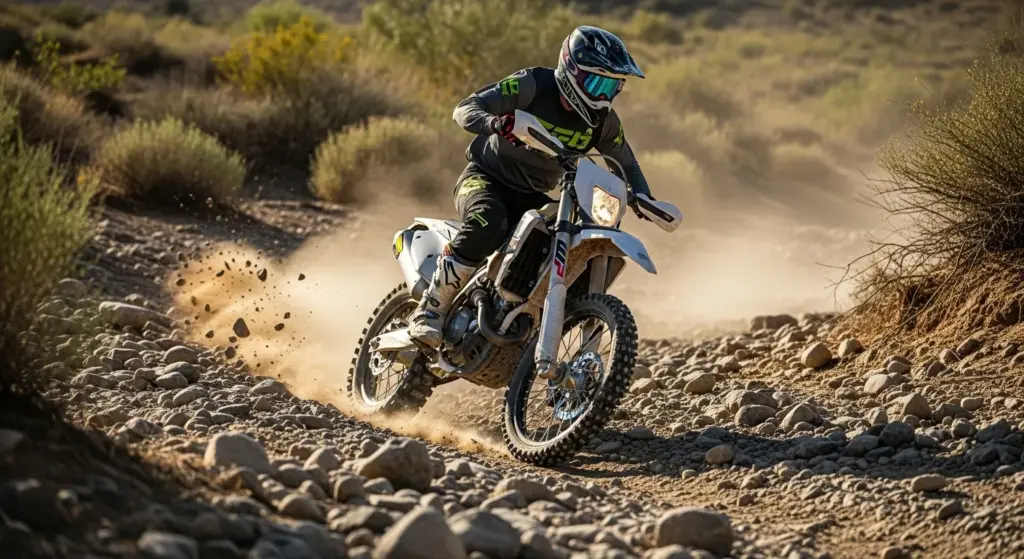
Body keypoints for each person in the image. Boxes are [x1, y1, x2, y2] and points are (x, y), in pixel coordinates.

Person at [409, 25, 655, 347]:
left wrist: (643, 196)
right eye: (597, 83)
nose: (603, 96)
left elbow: (627, 164)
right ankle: (430, 309)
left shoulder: (604, 124)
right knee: (488, 220)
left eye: (613, 87)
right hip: (485, 177)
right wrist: (495, 123)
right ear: (572, 70)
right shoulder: (533, 85)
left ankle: (521, 322)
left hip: (534, 196)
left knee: (559, 247)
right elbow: (465, 108)